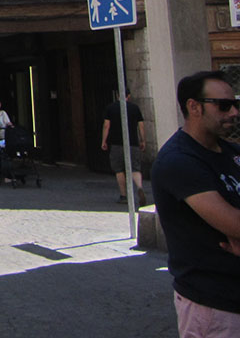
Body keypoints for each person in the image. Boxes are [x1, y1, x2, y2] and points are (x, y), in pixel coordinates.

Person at [152, 70, 240, 334]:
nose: (234, 112)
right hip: (215, 306)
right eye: (224, 106)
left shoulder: (232, 152)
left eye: (236, 104)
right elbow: (235, 224)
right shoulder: (179, 161)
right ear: (194, 107)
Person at [101, 87, 147, 205]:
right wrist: (143, 140)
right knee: (135, 168)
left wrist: (104, 141)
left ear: (117, 95)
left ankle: (123, 196)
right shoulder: (135, 108)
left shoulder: (111, 108)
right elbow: (141, 126)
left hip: (116, 143)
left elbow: (107, 125)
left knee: (119, 169)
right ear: (129, 96)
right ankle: (140, 187)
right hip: (132, 143)